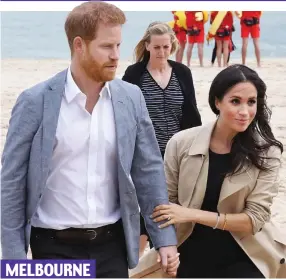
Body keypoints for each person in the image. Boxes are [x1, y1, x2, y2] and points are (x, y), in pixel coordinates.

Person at [0, 2, 180, 278]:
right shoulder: (35, 102)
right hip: (52, 247)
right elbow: (11, 183)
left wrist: (164, 237)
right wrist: (13, 260)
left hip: (113, 246)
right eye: (107, 47)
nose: (116, 56)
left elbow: (148, 172)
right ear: (79, 45)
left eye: (119, 46)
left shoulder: (130, 98)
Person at [150, 64, 286, 278]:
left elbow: (255, 219)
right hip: (187, 250)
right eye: (235, 101)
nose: (245, 112)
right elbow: (165, 205)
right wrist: (165, 246)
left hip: (244, 254)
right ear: (217, 101)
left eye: (251, 102)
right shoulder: (181, 143)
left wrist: (193, 214)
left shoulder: (267, 152)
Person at [122, 21, 202, 257]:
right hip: (145, 153)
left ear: (172, 46)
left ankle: (162, 255)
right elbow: (125, 114)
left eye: (166, 47)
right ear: (147, 46)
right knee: (149, 202)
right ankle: (136, 260)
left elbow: (191, 112)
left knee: (169, 203)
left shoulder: (182, 73)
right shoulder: (134, 74)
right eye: (156, 47)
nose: (161, 52)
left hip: (178, 152)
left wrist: (197, 145)